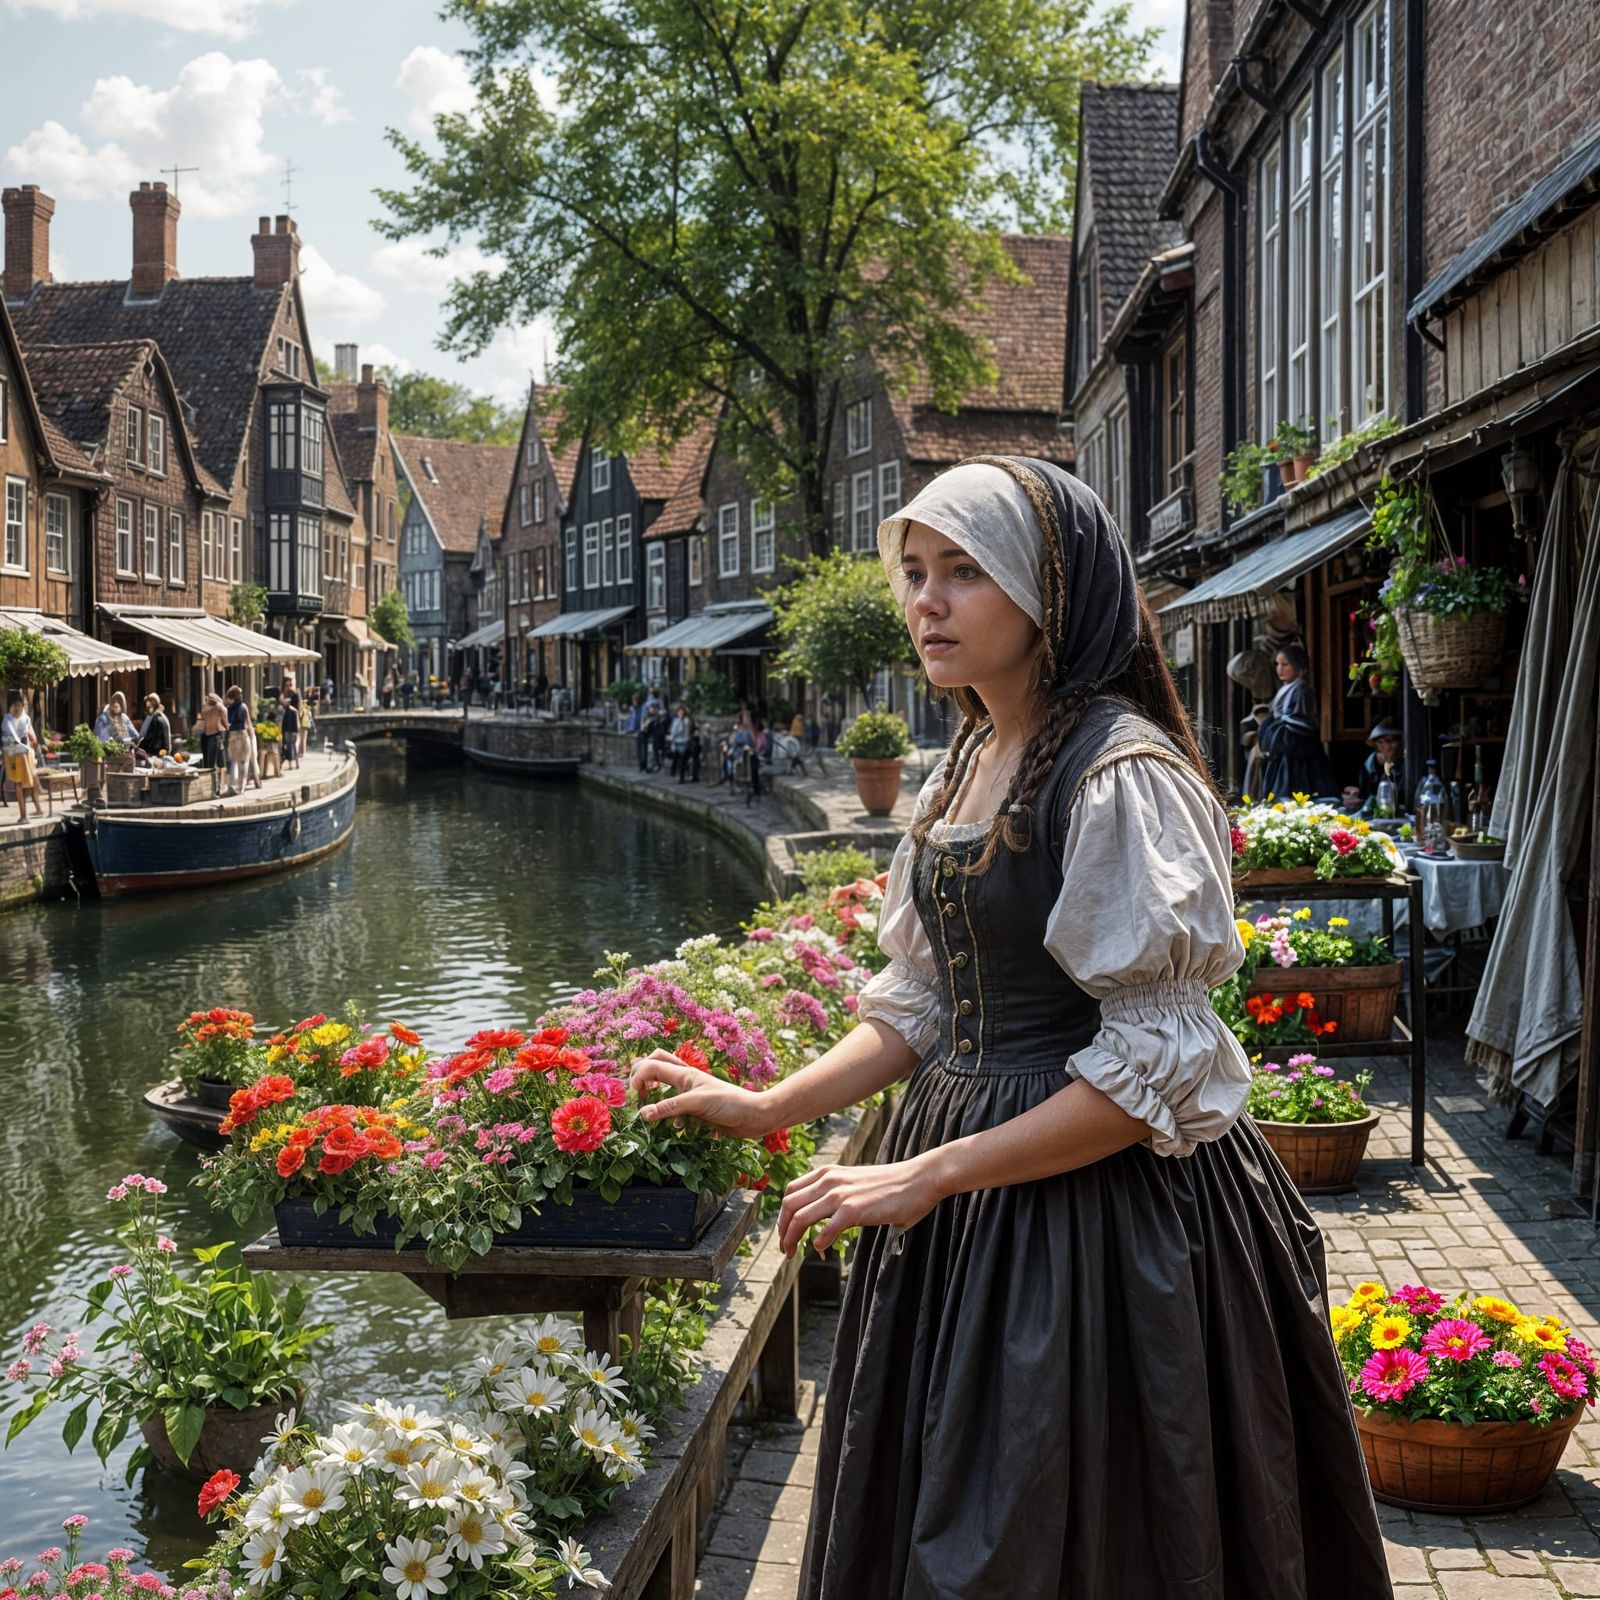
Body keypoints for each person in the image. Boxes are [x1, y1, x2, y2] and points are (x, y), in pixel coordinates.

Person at [627, 457, 1392, 1600]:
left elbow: (1151, 1068)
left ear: (1053, 595)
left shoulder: (1120, 773)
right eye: (917, 573)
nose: (925, 600)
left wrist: (927, 1172)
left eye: (964, 572)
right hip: (965, 1209)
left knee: (1083, 1524)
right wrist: (770, 1103)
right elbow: (924, 1001)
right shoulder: (968, 765)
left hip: (1105, 1217)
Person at [1255, 641, 1337, 800]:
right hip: (1285, 754)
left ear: (1299, 666)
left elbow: (1303, 724)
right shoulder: (1287, 687)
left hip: (1298, 755)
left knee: (1295, 796)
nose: (1279, 668)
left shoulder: (1301, 690)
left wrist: (1277, 731)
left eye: (1285, 664)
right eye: (1277, 664)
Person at [2, 693, 43, 823]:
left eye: (20, 705)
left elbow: (26, 736)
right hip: (18, 752)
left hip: (21, 753)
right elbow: (15, 737)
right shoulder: (11, 718)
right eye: (16, 705)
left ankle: (26, 814)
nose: (18, 708)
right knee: (24, 783)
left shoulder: (20, 718)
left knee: (25, 784)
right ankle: (26, 814)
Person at [1354, 719, 1405, 815]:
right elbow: (1364, 795)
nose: (1386, 746)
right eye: (1380, 742)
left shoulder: (1405, 766)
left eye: (1390, 741)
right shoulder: (1370, 764)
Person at [223, 686, 251, 795]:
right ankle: (239, 787)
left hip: (235, 736)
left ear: (232, 698)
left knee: (234, 762)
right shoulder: (243, 707)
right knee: (240, 763)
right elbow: (248, 723)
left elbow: (229, 723)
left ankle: (233, 786)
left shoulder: (230, 709)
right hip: (242, 735)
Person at [197, 692, 228, 770]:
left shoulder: (216, 707)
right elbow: (225, 722)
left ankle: (215, 776)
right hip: (212, 734)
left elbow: (203, 716)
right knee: (212, 760)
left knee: (212, 760)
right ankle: (213, 776)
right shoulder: (216, 707)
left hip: (214, 734)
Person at [137, 694, 171, 762]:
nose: (147, 709)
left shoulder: (158, 719)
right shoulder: (152, 717)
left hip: (159, 753)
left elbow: (153, 740)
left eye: (149, 707)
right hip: (156, 750)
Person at [668, 704, 693, 782]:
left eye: (682, 712)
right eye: (679, 712)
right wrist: (672, 735)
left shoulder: (686, 720)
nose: (681, 713)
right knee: (679, 760)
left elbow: (685, 731)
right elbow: (673, 730)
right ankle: (679, 775)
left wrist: (673, 735)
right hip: (678, 742)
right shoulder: (676, 720)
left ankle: (681, 776)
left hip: (684, 742)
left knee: (682, 761)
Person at [280, 691, 302, 769]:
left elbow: (287, 721)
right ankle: (297, 763)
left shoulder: (289, 709)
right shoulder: (296, 710)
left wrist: (284, 730)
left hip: (288, 730)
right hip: (295, 730)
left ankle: (290, 765)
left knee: (289, 747)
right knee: (294, 747)